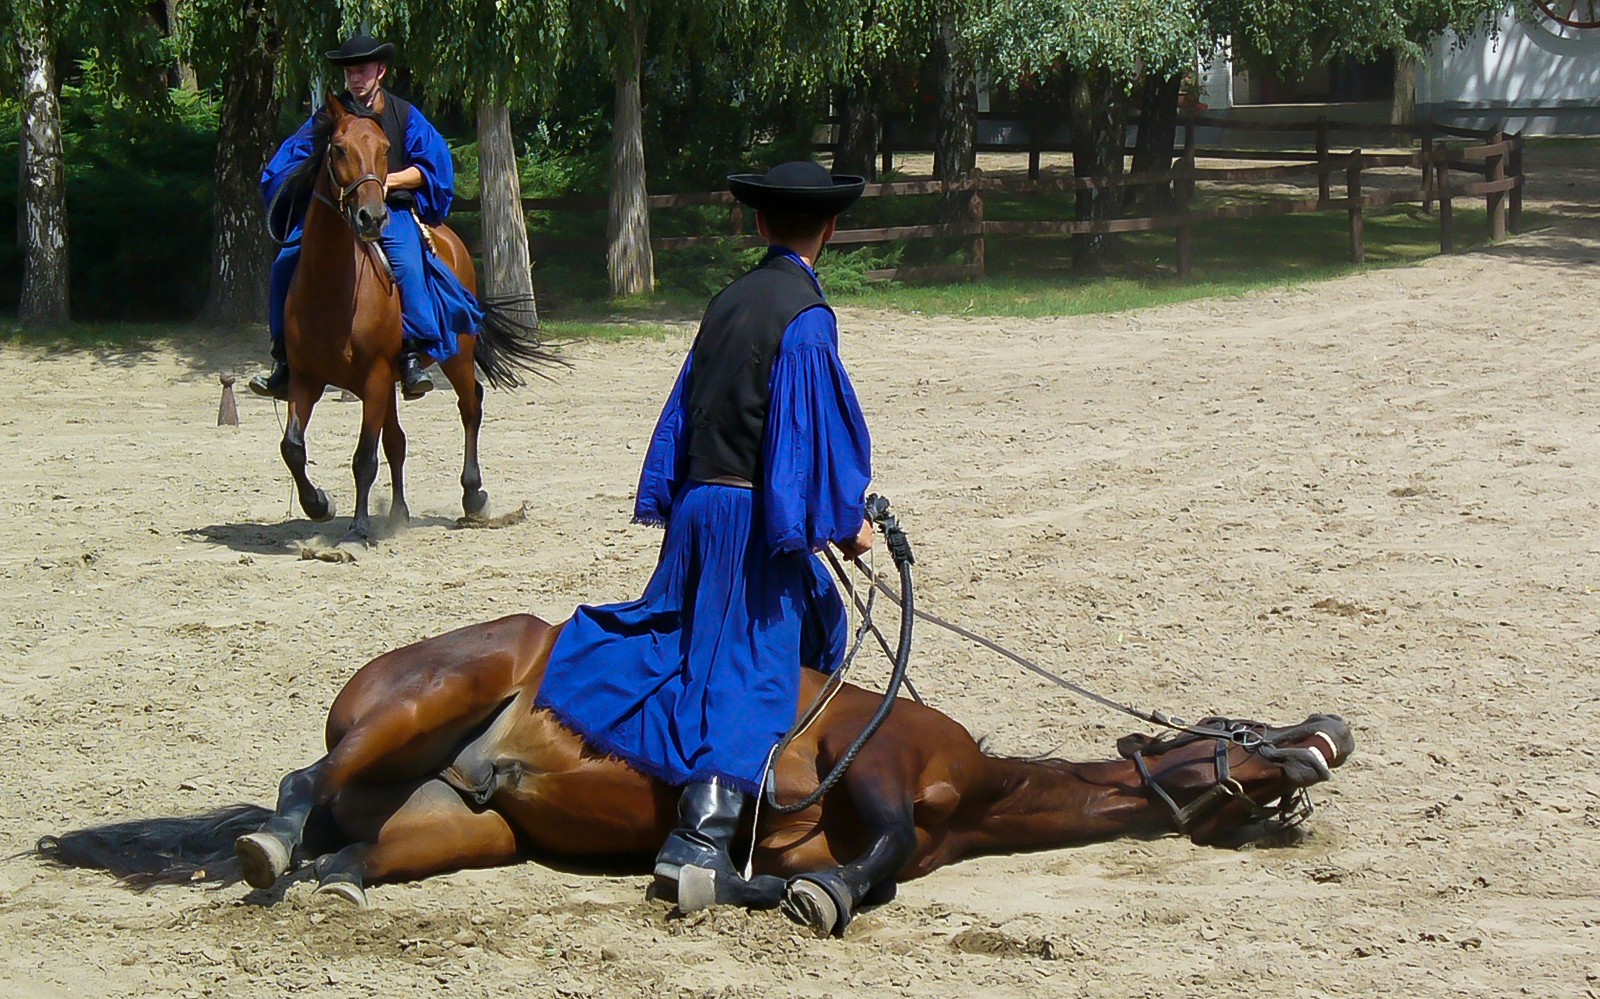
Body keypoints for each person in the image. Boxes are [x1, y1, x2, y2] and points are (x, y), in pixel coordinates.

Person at [533, 161, 876, 912]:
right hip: (746, 523)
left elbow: (682, 419)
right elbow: (801, 441)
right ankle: (700, 839)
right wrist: (844, 523)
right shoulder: (807, 318)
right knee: (750, 666)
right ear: (830, 230)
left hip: (699, 510)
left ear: (758, 225)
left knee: (748, 632)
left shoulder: (725, 302)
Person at [250, 34, 468, 401]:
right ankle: (283, 357)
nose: (355, 78)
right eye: (350, 71)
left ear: (380, 72)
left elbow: (432, 168)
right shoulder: (329, 117)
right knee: (286, 260)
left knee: (409, 262)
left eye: (362, 70)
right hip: (338, 213)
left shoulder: (404, 115)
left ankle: (412, 353)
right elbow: (292, 158)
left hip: (390, 209)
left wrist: (383, 181)